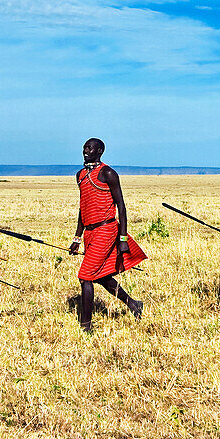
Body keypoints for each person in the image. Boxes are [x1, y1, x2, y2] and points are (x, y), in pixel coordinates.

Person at [68, 138, 147, 332]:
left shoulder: (108, 173)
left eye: (90, 148)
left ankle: (85, 325)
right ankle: (134, 304)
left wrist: (123, 239)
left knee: (85, 276)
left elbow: (121, 206)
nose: (85, 151)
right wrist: (77, 238)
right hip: (90, 232)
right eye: (84, 147)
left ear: (100, 151)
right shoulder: (80, 175)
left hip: (106, 229)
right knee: (101, 275)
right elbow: (83, 207)